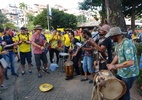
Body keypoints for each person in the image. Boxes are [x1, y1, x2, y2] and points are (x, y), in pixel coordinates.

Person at [106, 27, 139, 100]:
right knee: (119, 91)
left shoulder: (127, 44)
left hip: (129, 73)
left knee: (124, 94)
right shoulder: (118, 44)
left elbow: (130, 62)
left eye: (111, 36)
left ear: (117, 35)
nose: (110, 38)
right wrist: (111, 64)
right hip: (122, 72)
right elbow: (117, 56)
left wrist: (114, 66)